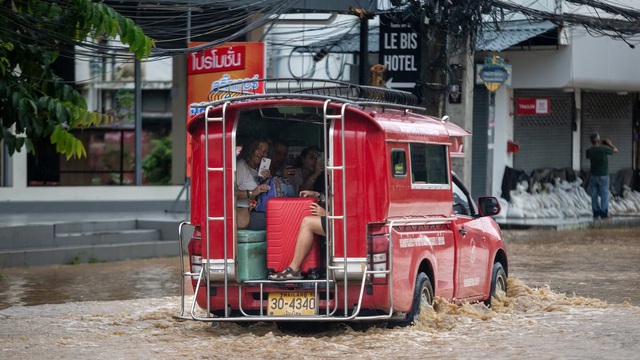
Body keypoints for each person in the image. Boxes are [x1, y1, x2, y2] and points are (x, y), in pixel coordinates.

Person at [269, 190, 326, 280]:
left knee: (308, 223)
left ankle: (293, 269)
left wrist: (326, 214)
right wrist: (317, 194)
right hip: (337, 221)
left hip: (344, 225)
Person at [236, 137, 272, 230]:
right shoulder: (241, 166)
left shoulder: (258, 171)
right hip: (245, 214)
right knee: (274, 221)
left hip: (255, 210)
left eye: (265, 151)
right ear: (251, 148)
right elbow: (229, 193)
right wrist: (253, 192)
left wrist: (266, 180)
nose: (261, 153)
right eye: (258, 148)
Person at [586, 132, 618, 219]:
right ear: (597, 140)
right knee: (604, 194)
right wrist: (610, 144)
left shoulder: (590, 151)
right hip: (603, 176)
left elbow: (589, 154)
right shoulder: (603, 149)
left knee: (594, 194)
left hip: (593, 176)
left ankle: (596, 212)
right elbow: (616, 150)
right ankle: (604, 213)